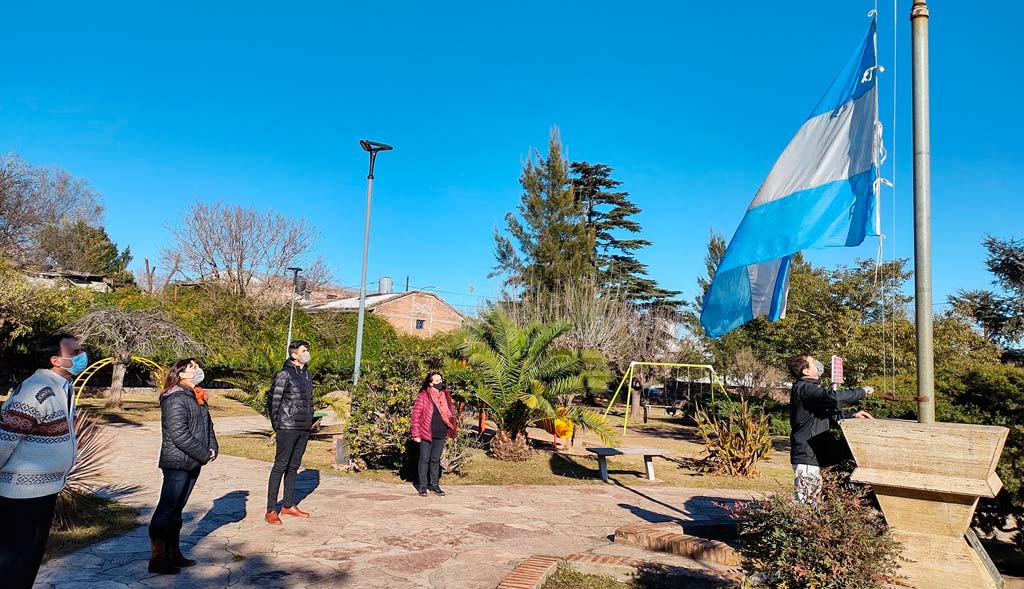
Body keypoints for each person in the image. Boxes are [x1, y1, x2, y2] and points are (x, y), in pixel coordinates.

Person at [0, 332, 85, 589]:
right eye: (75, 353)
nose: (82, 357)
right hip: (21, 495)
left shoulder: (62, 389)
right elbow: (4, 441)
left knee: (29, 562)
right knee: (13, 562)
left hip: (44, 491)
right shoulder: (37, 391)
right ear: (55, 360)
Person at [148, 358, 218, 575]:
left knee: (177, 510)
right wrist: (203, 454)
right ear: (181, 374)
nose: (198, 370)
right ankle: (158, 558)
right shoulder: (174, 397)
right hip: (177, 461)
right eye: (193, 367)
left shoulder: (196, 395)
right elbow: (179, 435)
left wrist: (213, 446)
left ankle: (174, 553)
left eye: (197, 366)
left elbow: (208, 425)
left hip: (193, 460)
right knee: (167, 508)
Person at [788, 354, 874, 504]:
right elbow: (834, 398)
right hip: (807, 456)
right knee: (807, 505)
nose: (819, 365)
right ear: (806, 372)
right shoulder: (805, 389)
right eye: (814, 362)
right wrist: (862, 392)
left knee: (813, 503)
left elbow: (827, 413)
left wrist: (852, 415)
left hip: (813, 455)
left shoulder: (808, 390)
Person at [265, 340, 314, 524]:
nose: (307, 353)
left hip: (303, 427)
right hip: (287, 427)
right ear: (294, 354)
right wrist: (277, 424)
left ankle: (287, 504)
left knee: (293, 466)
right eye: (303, 350)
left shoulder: (306, 374)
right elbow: (274, 401)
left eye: (307, 350)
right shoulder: (284, 374)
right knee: (280, 465)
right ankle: (271, 509)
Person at [410, 371, 457, 497]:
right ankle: (423, 486)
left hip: (440, 432)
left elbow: (450, 414)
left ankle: (435, 485)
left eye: (440, 380)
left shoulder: (445, 396)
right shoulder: (423, 396)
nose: (439, 383)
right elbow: (416, 416)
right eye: (436, 381)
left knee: (435, 460)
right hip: (426, 432)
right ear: (430, 383)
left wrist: (451, 429)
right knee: (424, 459)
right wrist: (416, 434)